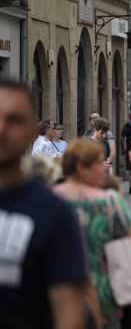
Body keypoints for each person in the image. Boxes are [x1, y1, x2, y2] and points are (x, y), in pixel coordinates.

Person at [0, 79, 94, 329]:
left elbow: (69, 310)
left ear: (33, 133)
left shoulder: (54, 214)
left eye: (14, 120)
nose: (2, 128)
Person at [54, 139, 131, 327]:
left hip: (56, 300)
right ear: (81, 167)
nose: (104, 168)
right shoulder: (108, 202)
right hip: (103, 297)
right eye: (99, 163)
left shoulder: (48, 200)